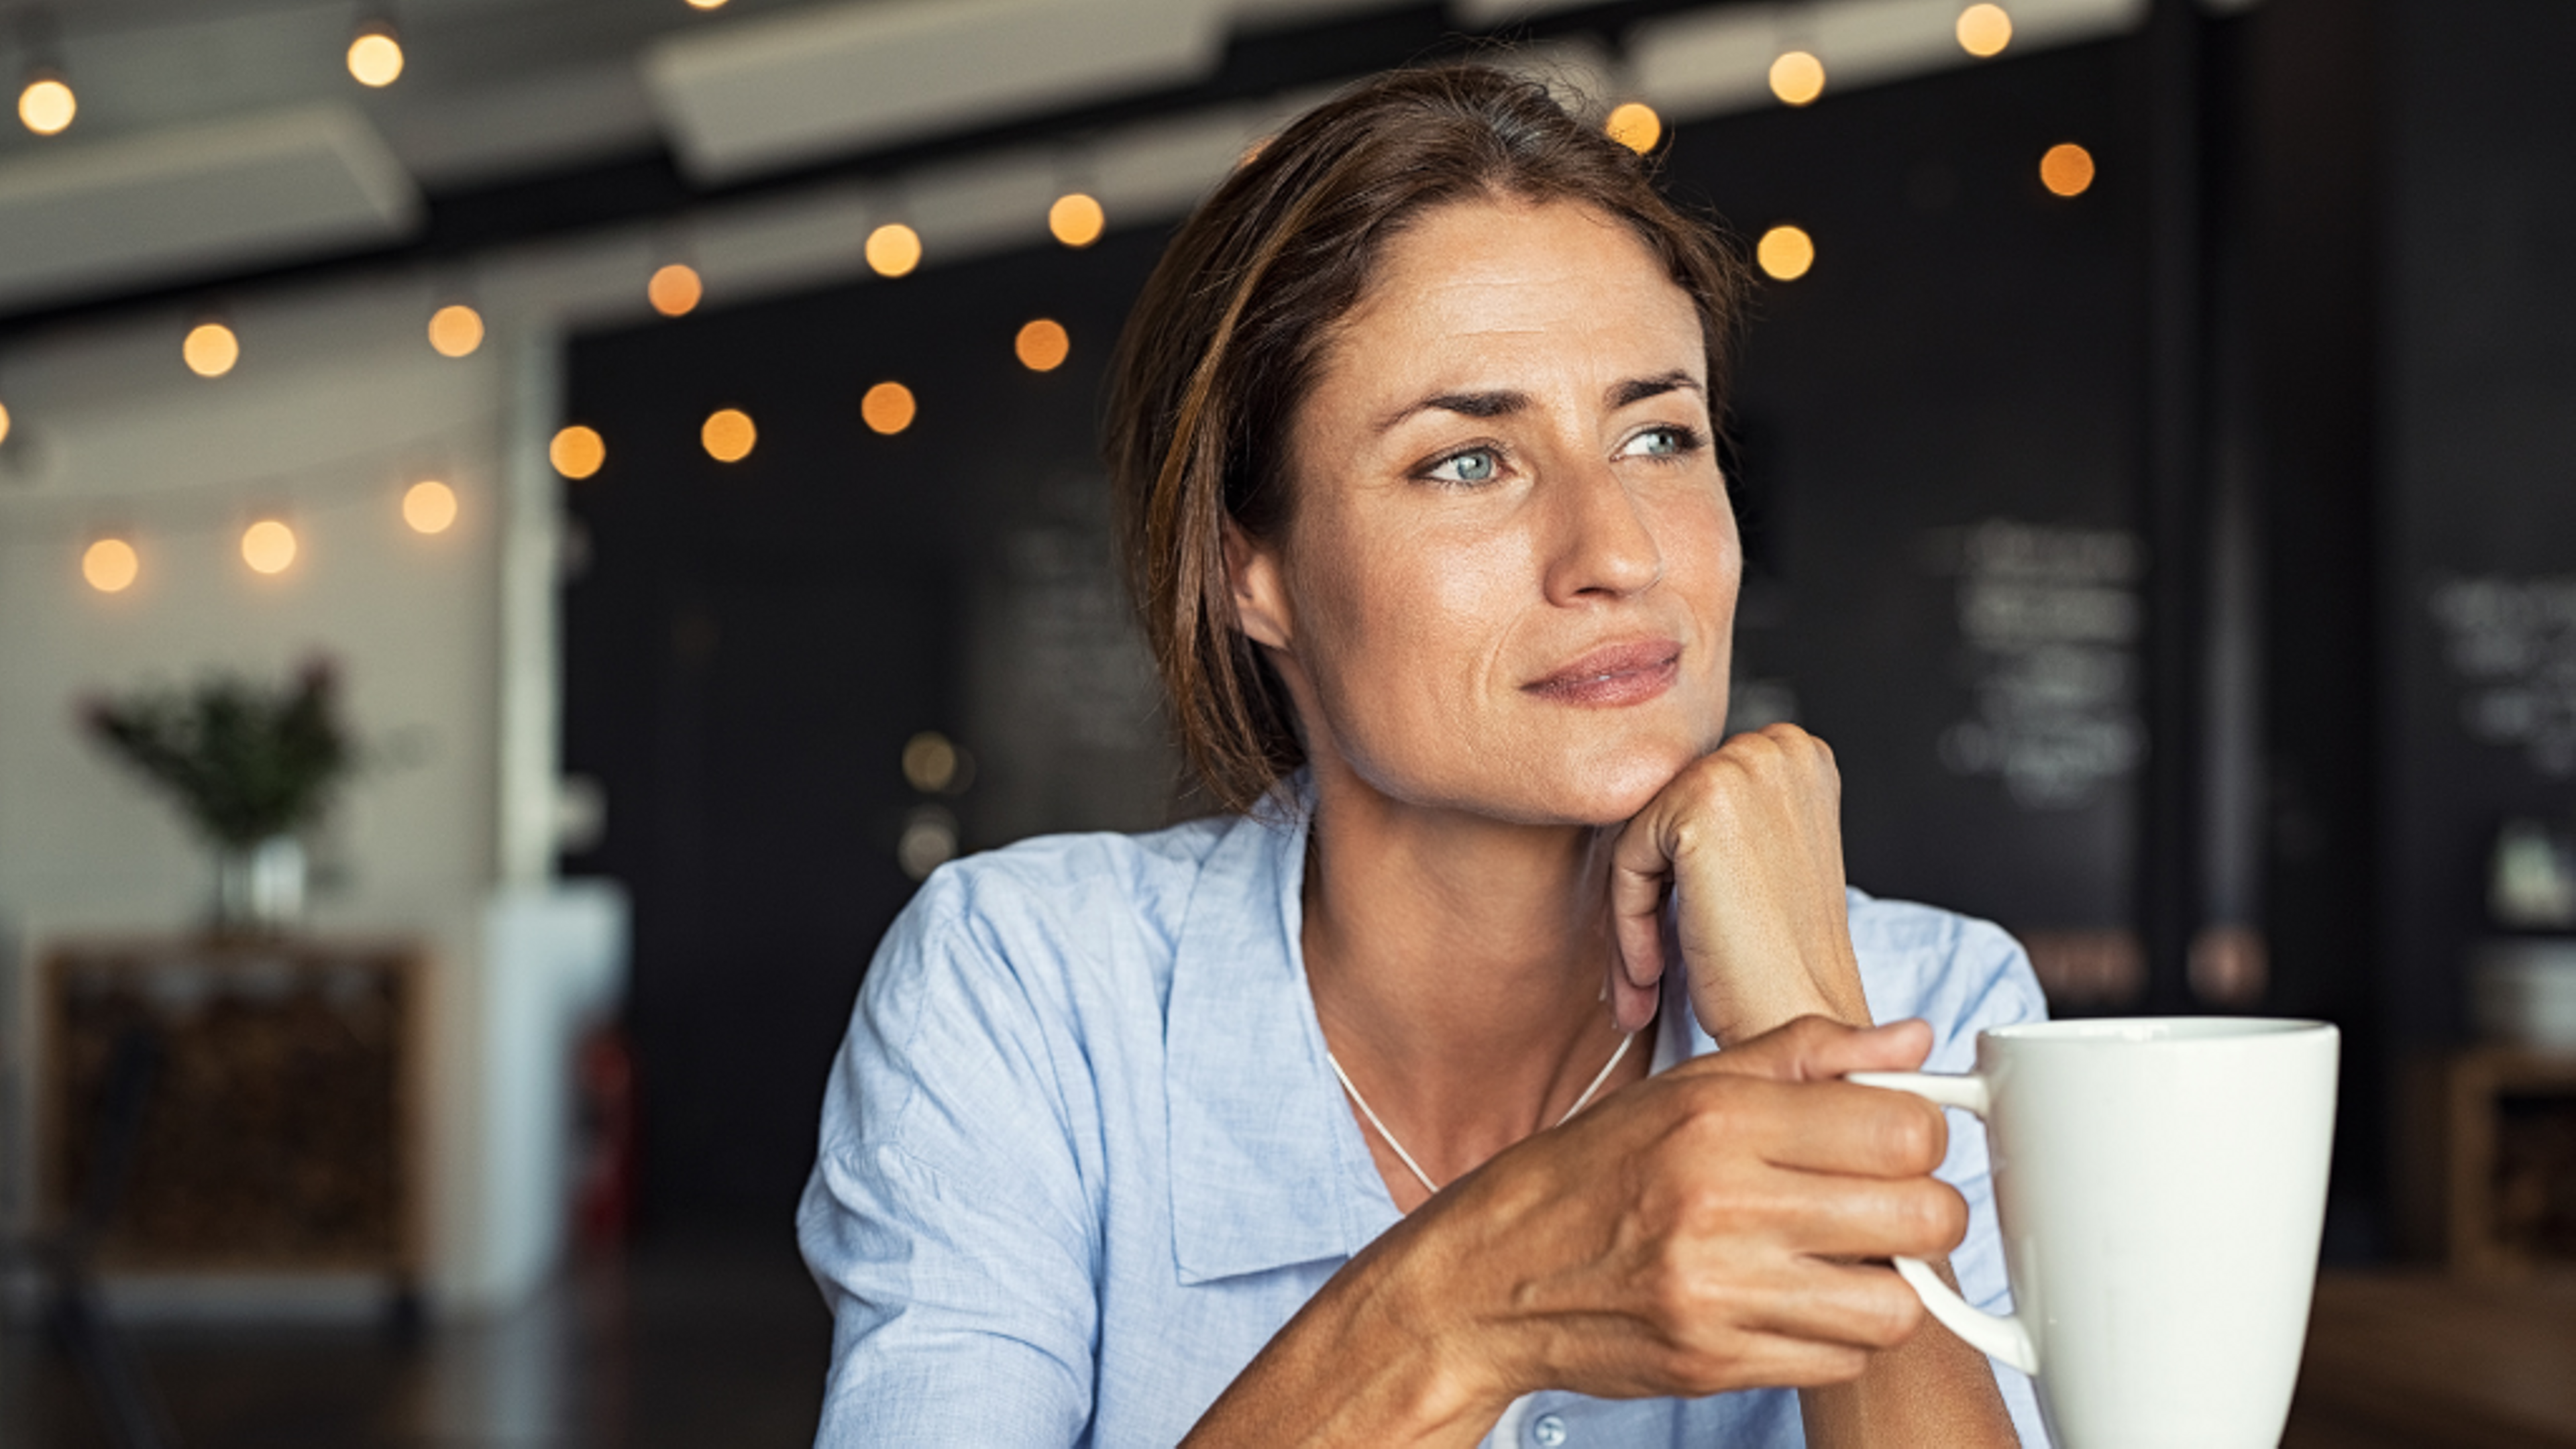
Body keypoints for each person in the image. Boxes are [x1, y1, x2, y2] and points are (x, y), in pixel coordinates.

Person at [800, 63, 2048, 1448]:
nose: (1620, 553)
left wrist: (1813, 1040)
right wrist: (1465, 1305)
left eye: (1660, 436)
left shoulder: (1945, 1010)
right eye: (1470, 461)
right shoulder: (1030, 994)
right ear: (1246, 567)